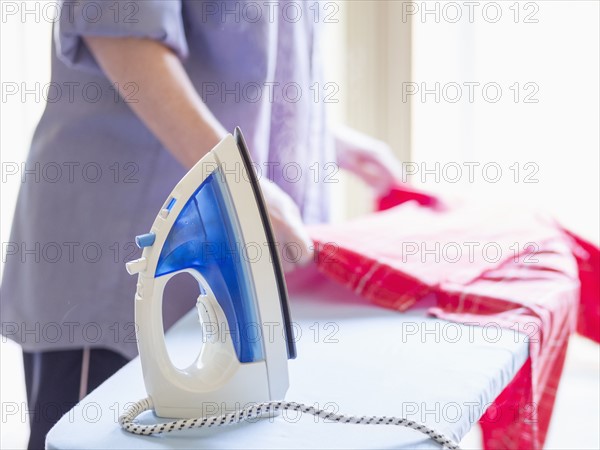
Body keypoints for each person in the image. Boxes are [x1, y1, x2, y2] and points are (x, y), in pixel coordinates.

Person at [0, 1, 401, 448]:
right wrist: (237, 182)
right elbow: (119, 31)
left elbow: (247, 61)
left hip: (223, 237)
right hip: (112, 245)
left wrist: (328, 141)